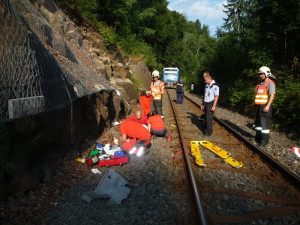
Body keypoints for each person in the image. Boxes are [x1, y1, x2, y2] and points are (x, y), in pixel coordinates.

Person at [254, 66, 276, 147]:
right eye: (260, 74)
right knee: (258, 124)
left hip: (265, 107)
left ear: (266, 74)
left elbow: (272, 95)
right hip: (258, 107)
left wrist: (268, 106)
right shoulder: (259, 84)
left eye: (262, 74)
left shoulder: (270, 83)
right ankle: (258, 138)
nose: (260, 75)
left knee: (264, 126)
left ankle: (264, 141)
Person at [200, 72, 219, 136]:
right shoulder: (207, 85)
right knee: (206, 117)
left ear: (209, 79)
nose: (205, 81)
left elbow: (216, 96)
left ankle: (208, 132)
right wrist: (202, 104)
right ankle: (205, 130)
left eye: (205, 80)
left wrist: (214, 105)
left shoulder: (215, 85)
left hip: (210, 103)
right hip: (206, 102)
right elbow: (205, 95)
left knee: (209, 118)